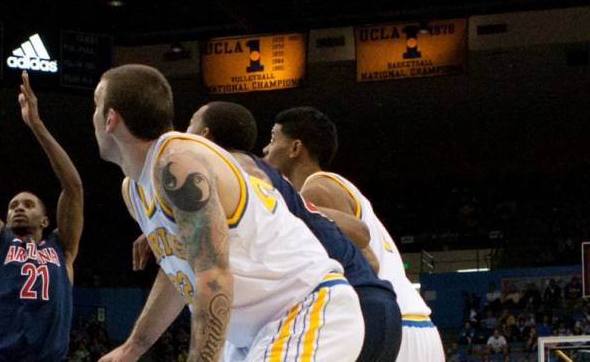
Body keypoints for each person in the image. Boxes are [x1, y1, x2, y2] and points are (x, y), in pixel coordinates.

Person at [89, 65, 361, 362]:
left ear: (111, 119)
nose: (92, 116)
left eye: (96, 105)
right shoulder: (134, 189)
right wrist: (133, 347)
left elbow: (212, 274)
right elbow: (179, 273)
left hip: (302, 309)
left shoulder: (177, 163)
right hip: (253, 334)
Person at [175, 103, 400, 362]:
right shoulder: (276, 186)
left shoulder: (242, 168)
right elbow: (367, 249)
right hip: (374, 303)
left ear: (204, 135)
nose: (266, 148)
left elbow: (361, 234)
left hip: (350, 306)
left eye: (190, 122)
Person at [266, 107, 444, 362]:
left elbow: (367, 261)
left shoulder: (316, 188)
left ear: (295, 148)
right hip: (413, 324)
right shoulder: (335, 185)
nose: (266, 149)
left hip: (395, 327)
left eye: (272, 140)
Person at [0, 71, 81, 362]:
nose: (18, 208)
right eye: (12, 205)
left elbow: (72, 187)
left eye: (28, 204)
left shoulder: (63, 249)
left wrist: (36, 123)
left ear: (46, 221)